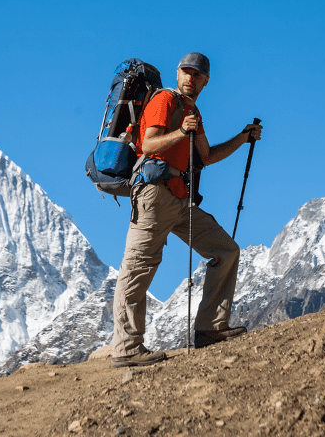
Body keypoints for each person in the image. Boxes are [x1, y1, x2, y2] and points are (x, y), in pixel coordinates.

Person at [111, 52, 263, 368]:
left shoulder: (192, 110)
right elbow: (149, 144)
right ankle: (126, 349)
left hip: (180, 201)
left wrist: (242, 138)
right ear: (177, 73)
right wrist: (181, 132)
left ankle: (210, 330)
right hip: (153, 196)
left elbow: (205, 156)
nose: (190, 78)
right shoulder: (165, 101)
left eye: (197, 74)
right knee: (138, 266)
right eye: (186, 72)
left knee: (226, 250)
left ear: (206, 81)